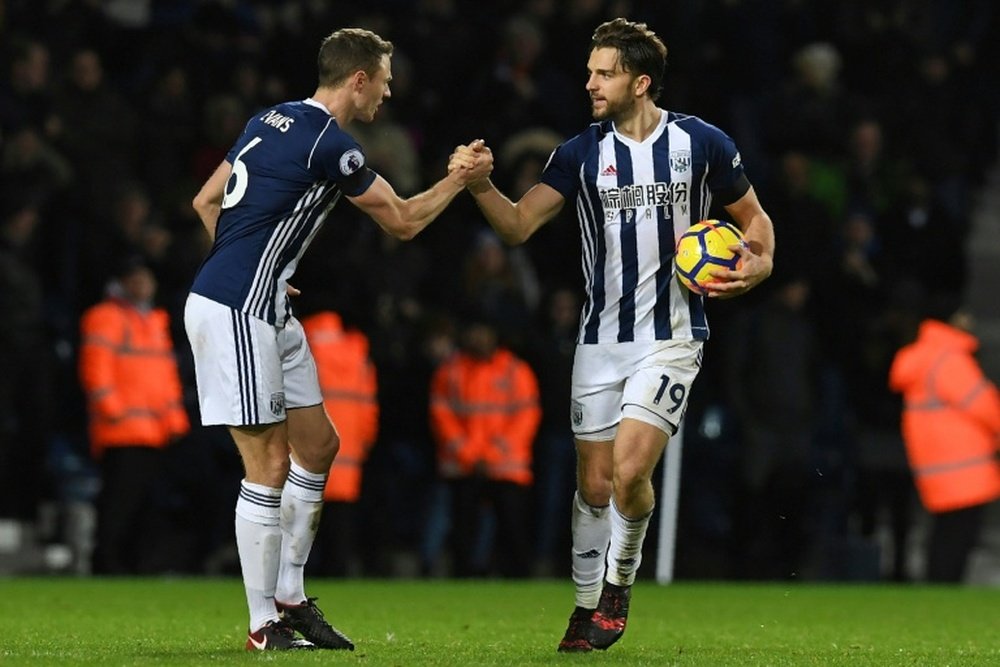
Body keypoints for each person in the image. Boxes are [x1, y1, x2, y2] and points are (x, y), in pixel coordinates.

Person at [450, 18, 774, 652]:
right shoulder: (579, 153)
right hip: (599, 340)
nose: (591, 83)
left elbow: (754, 217)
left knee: (629, 471)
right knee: (593, 485)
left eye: (605, 73)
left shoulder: (701, 143)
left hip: (672, 335)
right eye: (591, 71)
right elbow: (516, 227)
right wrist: (481, 184)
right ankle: (582, 603)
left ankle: (618, 586)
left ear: (640, 81)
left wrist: (759, 259)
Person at [185, 27, 491, 651]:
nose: (388, 89)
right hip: (236, 309)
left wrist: (259, 266)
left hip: (263, 300)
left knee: (319, 445)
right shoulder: (331, 144)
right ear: (358, 79)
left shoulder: (269, 119)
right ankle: (261, 624)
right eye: (383, 77)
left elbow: (205, 200)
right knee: (268, 464)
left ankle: (292, 597)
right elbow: (404, 221)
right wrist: (458, 178)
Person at [78, 257, 190, 574]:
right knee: (119, 504)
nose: (143, 286)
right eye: (136, 279)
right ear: (122, 282)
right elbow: (95, 369)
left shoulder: (153, 320)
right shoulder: (105, 317)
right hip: (122, 430)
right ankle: (106, 563)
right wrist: (113, 411)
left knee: (142, 505)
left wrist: (174, 421)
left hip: (153, 431)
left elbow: (165, 376)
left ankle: (131, 564)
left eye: (147, 279)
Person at [888, 293, 1000, 583]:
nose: (969, 320)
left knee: (946, 533)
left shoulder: (925, 357)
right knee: (958, 536)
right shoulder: (949, 358)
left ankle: (938, 587)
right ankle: (942, 589)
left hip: (938, 466)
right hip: (966, 466)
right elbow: (985, 405)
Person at [427, 312, 542, 577]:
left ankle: (518, 579)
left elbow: (526, 417)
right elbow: (440, 415)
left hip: (502, 466)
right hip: (468, 465)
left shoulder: (515, 370)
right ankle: (465, 578)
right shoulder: (451, 370)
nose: (478, 337)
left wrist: (487, 454)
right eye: (474, 331)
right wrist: (470, 453)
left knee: (512, 531)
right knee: (463, 531)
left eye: (484, 331)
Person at [300, 309, 378, 577]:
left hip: (306, 447)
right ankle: (339, 573)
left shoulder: (301, 341)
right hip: (347, 449)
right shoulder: (357, 351)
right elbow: (368, 404)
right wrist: (365, 440)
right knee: (340, 521)